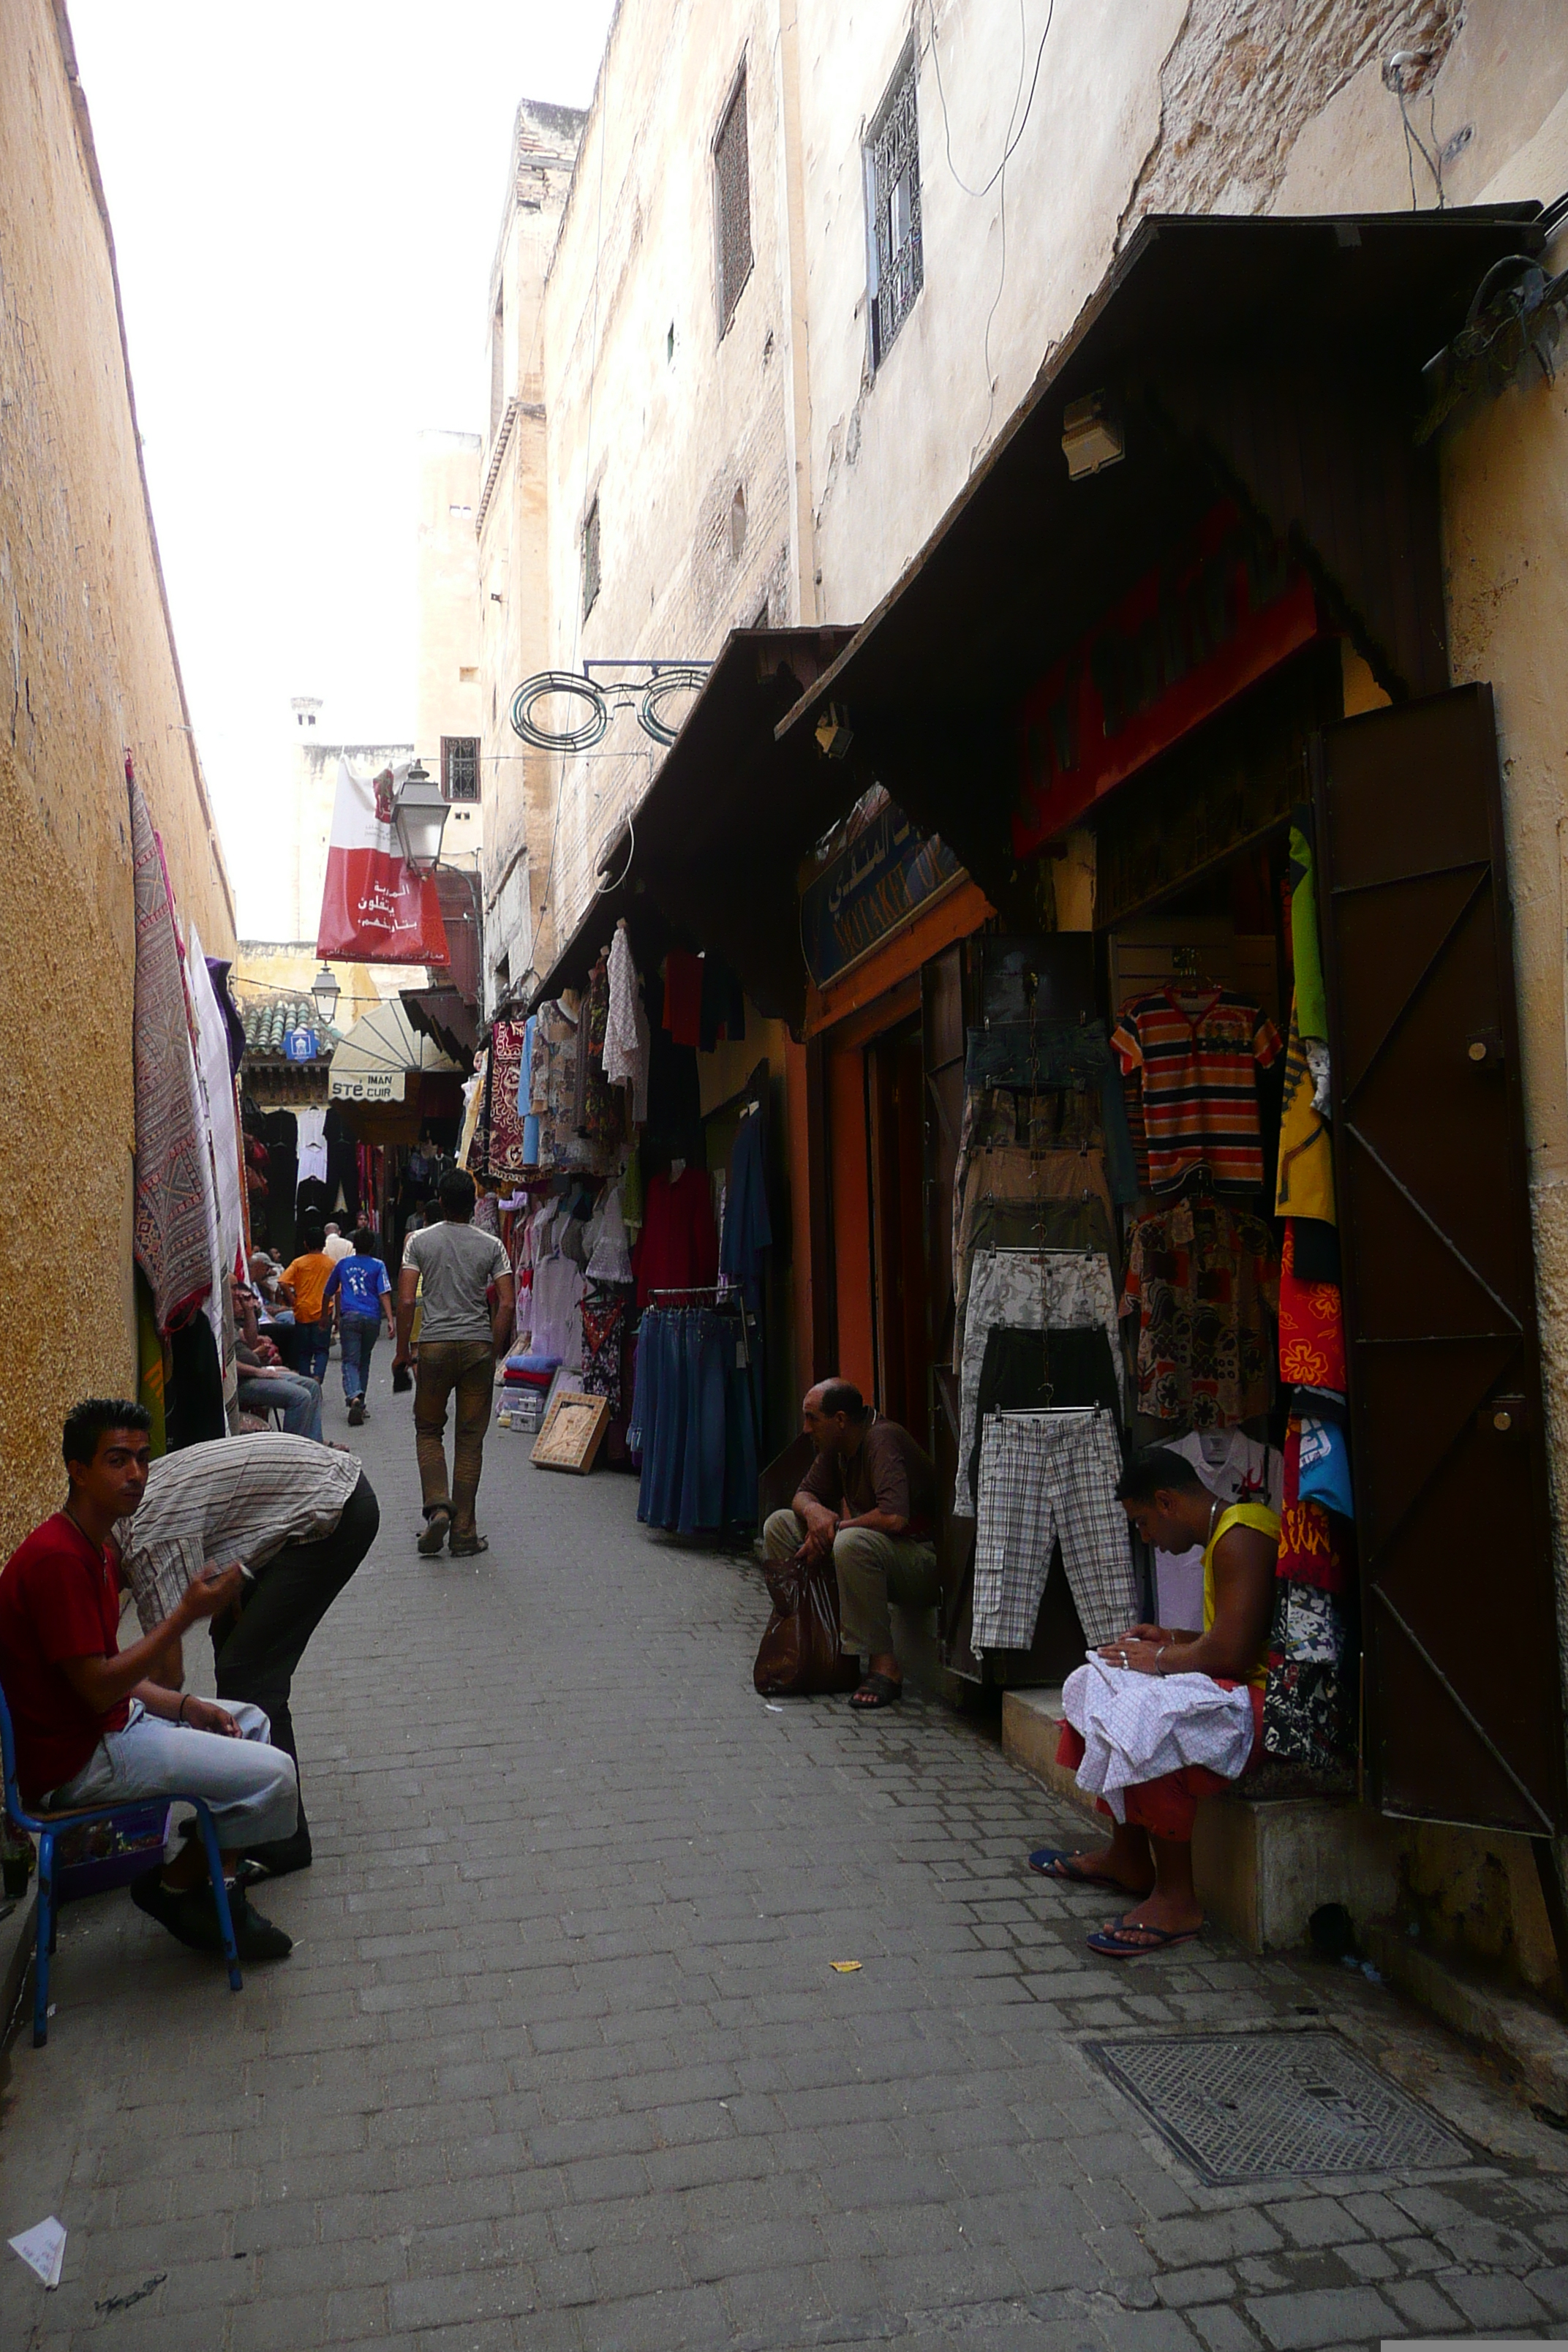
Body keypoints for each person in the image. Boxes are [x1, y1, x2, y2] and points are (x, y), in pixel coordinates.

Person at [0, 1401, 297, 1962]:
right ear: (77, 1470)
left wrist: (185, 1706)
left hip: (111, 1726)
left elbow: (114, 1674)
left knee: (249, 1722)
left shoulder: (96, 1548)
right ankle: (185, 1885)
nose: (135, 1475)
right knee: (276, 1776)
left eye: (142, 1458)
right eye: (117, 1460)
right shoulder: (57, 1561)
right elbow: (98, 1688)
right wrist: (185, 1614)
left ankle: (206, 1887)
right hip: (82, 1761)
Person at [1030, 1445, 1278, 1959]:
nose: (1145, 1538)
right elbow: (1237, 1637)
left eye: (1142, 1523)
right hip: (1243, 1681)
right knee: (1096, 1683)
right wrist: (1170, 1635)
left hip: (1271, 1698)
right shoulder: (1227, 1534)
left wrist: (1162, 1657)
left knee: (1151, 1717)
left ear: (1166, 1503)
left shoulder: (1241, 1536)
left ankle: (1177, 1899)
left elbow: (1231, 1654)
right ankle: (1128, 1857)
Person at [113, 1430, 377, 1880]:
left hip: (333, 1511)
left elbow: (170, 1675)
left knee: (248, 1671)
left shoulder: (146, 1540)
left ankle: (282, 1839)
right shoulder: (123, 1513)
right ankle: (240, 1807)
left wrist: (130, 1742)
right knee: (233, 1644)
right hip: (305, 1501)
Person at [763, 1379, 939, 1712]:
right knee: (780, 1525)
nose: (805, 1429)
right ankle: (813, 1644)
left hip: (923, 1562)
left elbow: (894, 1519)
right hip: (878, 1554)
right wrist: (816, 1515)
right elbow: (802, 1496)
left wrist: (837, 1527)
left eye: (812, 1418)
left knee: (851, 1543)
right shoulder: (836, 1448)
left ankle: (884, 1666)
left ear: (840, 1420)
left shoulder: (881, 1439)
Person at [395, 1169, 513, 1558]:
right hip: (478, 1345)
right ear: (473, 1203)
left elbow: (408, 1300)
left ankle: (439, 1507)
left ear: (441, 1202)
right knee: (470, 1441)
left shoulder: (419, 1241)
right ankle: (464, 1533)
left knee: (429, 1429)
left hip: (434, 1348)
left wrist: (401, 1351)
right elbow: (507, 1302)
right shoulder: (493, 1244)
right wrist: (493, 1351)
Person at [231, 1278, 325, 1441]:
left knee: (312, 1386)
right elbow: (226, 1364)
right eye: (233, 1289)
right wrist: (260, 1372)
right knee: (300, 1397)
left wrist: (248, 1311)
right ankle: (291, 1451)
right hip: (241, 1380)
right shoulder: (219, 1321)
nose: (237, 1293)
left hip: (255, 1372)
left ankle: (315, 1443)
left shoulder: (233, 1320)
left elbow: (251, 1339)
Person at [323, 1226, 393, 1427]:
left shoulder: (343, 1264)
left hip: (350, 1317)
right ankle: (360, 1403)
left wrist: (324, 1316)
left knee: (350, 1361)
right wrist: (390, 1319)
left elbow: (328, 1291)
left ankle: (354, 1396)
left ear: (354, 1246)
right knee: (364, 1360)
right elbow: (384, 1293)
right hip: (372, 1318)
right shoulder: (378, 1265)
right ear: (372, 1246)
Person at [278, 1225, 333, 1382]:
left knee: (304, 1352)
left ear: (305, 1244)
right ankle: (317, 1377)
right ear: (324, 1244)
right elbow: (338, 1291)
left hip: (302, 1311)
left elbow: (283, 1282)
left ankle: (306, 1382)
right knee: (322, 1350)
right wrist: (338, 1316)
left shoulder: (298, 1263)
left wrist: (293, 1300)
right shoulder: (330, 1264)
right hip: (323, 1313)